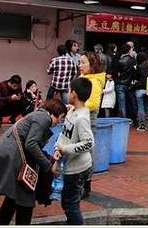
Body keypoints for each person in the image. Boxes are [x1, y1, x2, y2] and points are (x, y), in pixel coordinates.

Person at [0, 99, 67, 225]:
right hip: (13, 158)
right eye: (61, 117)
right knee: (25, 199)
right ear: (56, 112)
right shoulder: (44, 118)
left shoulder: (37, 115)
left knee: (13, 198)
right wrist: (48, 165)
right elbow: (31, 144)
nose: (59, 122)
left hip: (9, 155)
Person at [54, 77, 94, 225]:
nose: (68, 93)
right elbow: (64, 133)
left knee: (70, 205)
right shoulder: (72, 111)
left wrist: (65, 149)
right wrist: (58, 148)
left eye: (69, 90)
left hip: (78, 169)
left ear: (74, 94)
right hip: (70, 166)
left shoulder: (81, 118)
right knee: (67, 202)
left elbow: (89, 143)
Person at [79, 51, 105, 199]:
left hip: (88, 120)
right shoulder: (84, 78)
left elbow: (93, 104)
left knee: (86, 153)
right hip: (80, 118)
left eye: (83, 63)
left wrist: (76, 106)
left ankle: (86, 185)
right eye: (79, 62)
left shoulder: (94, 81)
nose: (80, 65)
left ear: (92, 65)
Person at [116, 44, 137, 119]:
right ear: (129, 50)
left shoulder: (120, 60)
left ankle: (123, 119)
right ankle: (133, 118)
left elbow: (116, 72)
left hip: (120, 83)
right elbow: (134, 72)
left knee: (122, 103)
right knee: (131, 103)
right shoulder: (133, 60)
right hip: (129, 84)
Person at [135, 52, 148, 130]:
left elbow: (136, 77)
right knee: (147, 106)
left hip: (139, 89)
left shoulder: (139, 67)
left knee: (140, 107)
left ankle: (142, 124)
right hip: (147, 89)